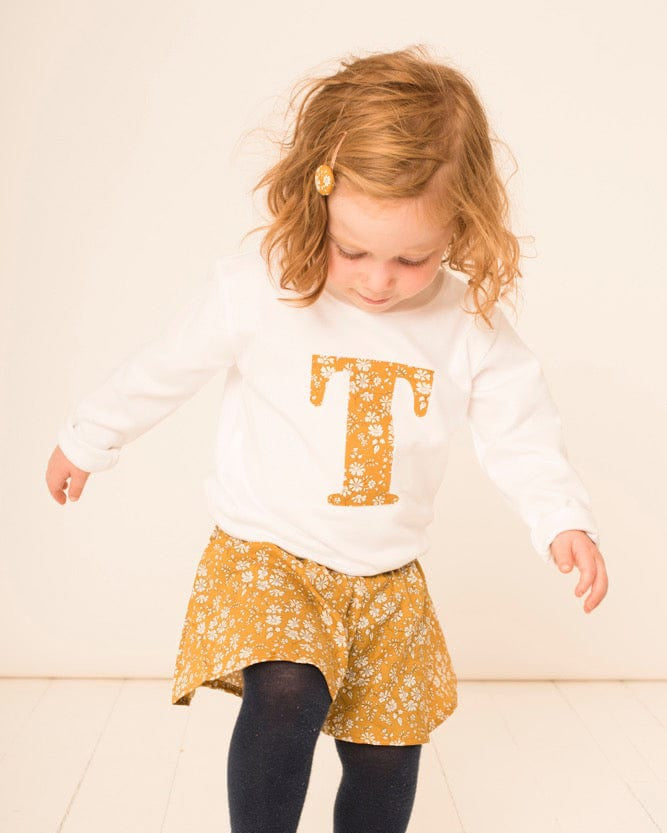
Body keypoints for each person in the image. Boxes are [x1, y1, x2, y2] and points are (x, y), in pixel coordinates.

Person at [45, 44, 608, 833]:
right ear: (317, 200)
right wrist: (89, 435)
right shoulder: (262, 286)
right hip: (267, 554)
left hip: (386, 580)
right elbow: (167, 364)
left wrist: (561, 517)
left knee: (387, 753)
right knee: (287, 692)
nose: (378, 280)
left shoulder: (465, 321)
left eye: (413, 257)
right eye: (354, 250)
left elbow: (520, 425)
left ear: (462, 222)